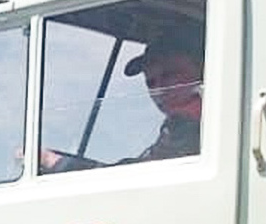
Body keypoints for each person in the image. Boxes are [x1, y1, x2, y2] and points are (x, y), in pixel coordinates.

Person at [41, 23, 203, 172]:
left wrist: (55, 162)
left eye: (170, 75)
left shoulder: (198, 126)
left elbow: (140, 177)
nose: (159, 89)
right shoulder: (178, 128)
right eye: (151, 82)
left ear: (202, 69)